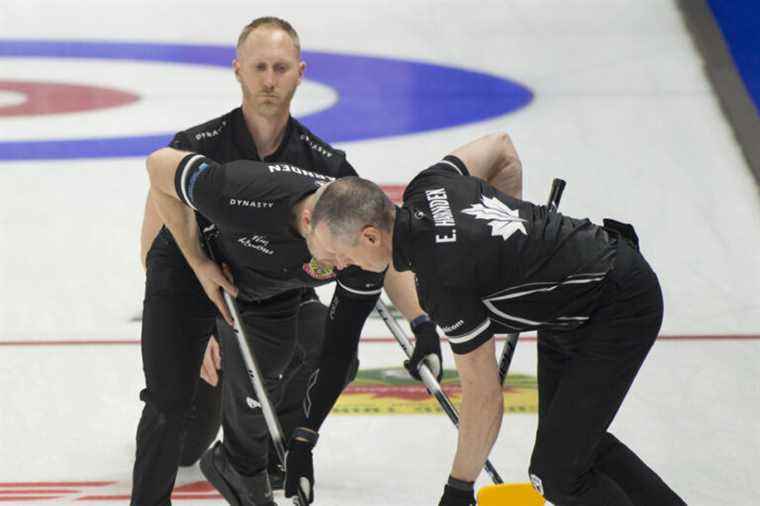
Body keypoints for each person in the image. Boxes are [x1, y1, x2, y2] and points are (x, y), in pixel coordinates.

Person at [133, 16, 441, 506]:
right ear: (238, 70)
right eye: (259, 67)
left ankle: (264, 451)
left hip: (276, 291)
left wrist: (420, 318)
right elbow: (157, 232)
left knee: (333, 355)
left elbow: (378, 247)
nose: (269, 80)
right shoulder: (200, 144)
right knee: (182, 433)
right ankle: (214, 447)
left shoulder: (326, 164)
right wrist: (205, 322)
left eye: (280, 67)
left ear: (301, 72)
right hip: (205, 281)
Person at [297, 133, 687, 506]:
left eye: (341, 255)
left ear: (369, 237)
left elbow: (484, 396)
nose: (341, 266)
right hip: (572, 306)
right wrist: (516, 247)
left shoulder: (442, 281)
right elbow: (501, 146)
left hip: (616, 303)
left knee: (557, 475)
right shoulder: (430, 185)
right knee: (573, 451)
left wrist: (459, 487)